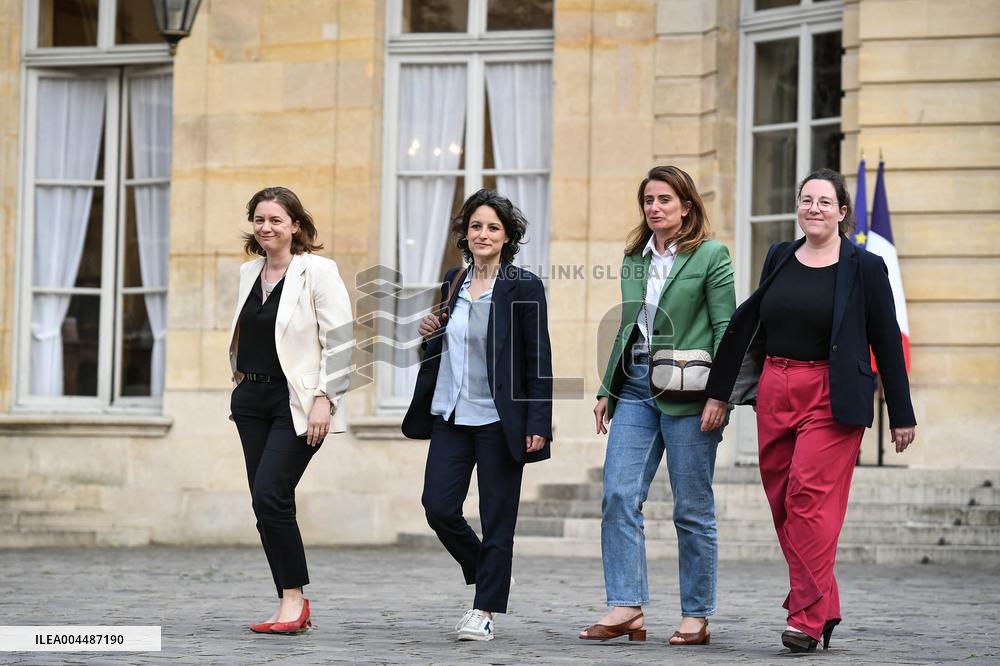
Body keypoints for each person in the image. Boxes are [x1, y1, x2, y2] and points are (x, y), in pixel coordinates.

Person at [705, 168, 917, 652]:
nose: (814, 209)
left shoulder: (863, 267)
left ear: (842, 213)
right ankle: (825, 603)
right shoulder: (780, 255)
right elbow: (751, 327)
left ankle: (805, 617)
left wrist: (901, 413)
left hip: (831, 392)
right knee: (783, 502)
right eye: (806, 200)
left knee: (807, 498)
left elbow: (885, 339)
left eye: (825, 202)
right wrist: (721, 391)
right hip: (775, 389)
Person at [579, 166, 736, 645]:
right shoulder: (634, 259)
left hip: (692, 387)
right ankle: (627, 606)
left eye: (665, 199)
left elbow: (726, 328)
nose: (655, 207)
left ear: (686, 206)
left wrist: (721, 395)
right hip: (636, 386)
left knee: (691, 507)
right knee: (618, 494)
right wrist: (608, 387)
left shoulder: (711, 255)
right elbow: (629, 328)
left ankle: (697, 614)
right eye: (648, 199)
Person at [402, 188, 553, 642]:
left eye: (492, 227)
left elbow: (538, 359)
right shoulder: (453, 280)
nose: (482, 234)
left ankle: (484, 609)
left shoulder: (523, 285)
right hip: (450, 413)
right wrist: (428, 332)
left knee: (497, 517)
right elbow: (444, 346)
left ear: (507, 236)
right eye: (475, 226)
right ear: (464, 234)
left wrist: (538, 425)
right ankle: (490, 571)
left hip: (498, 421)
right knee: (438, 507)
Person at [227, 186, 354, 635]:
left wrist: (326, 398)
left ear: (295, 225)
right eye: (259, 219)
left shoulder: (317, 271)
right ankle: (289, 600)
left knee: (270, 494)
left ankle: (294, 601)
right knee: (266, 505)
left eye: (276, 220)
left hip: (295, 403)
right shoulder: (248, 273)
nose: (266, 227)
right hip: (250, 401)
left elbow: (340, 339)